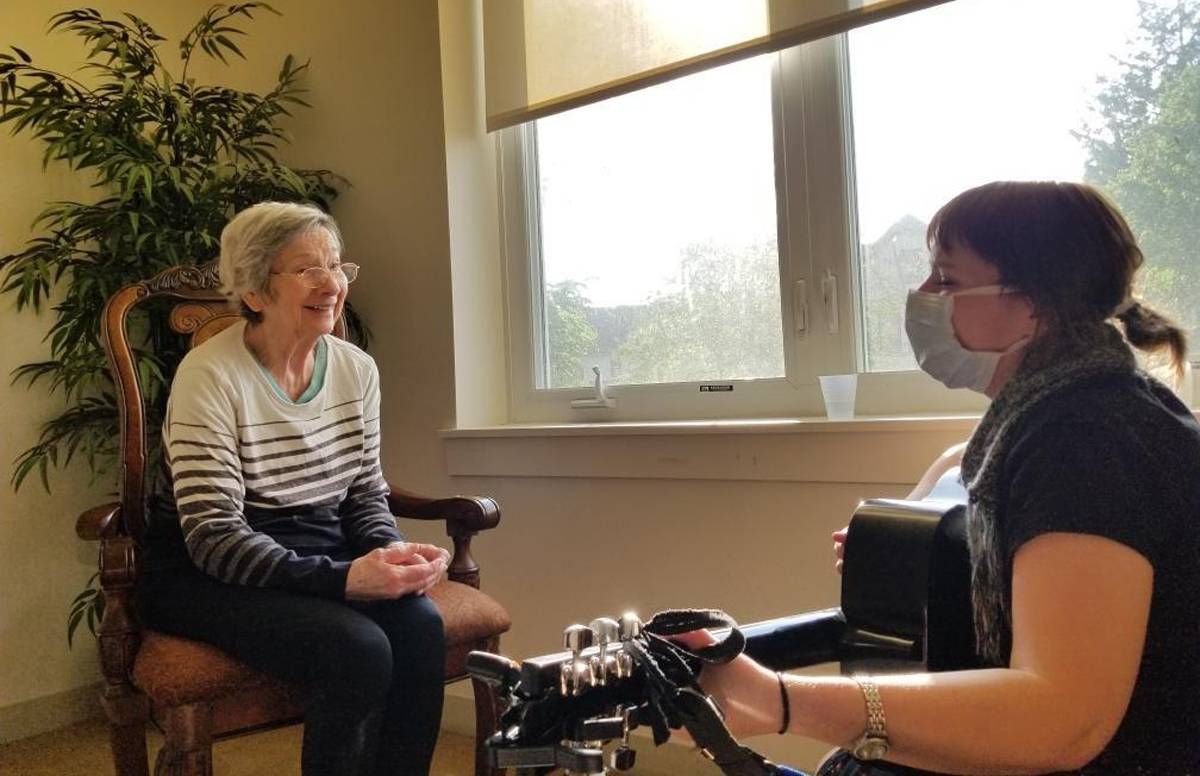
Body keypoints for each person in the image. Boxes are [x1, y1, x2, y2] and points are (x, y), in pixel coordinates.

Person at [679, 181, 1200, 774]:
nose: (922, 295)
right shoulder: (1082, 410)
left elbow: (1063, 716)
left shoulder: (1085, 437)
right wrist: (923, 561)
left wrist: (778, 701)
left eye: (946, 280)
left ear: (1034, 303)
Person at [138, 202, 451, 776]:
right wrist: (346, 579)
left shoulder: (356, 370)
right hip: (203, 569)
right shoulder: (210, 375)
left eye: (336, 266)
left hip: (315, 549)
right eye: (307, 269)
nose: (331, 284)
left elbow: (363, 493)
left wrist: (388, 552)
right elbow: (213, 537)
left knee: (421, 625)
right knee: (356, 647)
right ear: (255, 291)